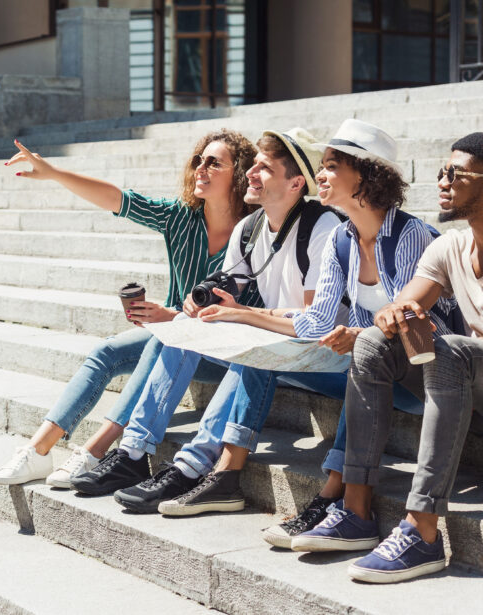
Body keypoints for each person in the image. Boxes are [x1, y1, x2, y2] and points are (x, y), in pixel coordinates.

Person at [292, 131, 483, 585]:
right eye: (441, 171)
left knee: (452, 348)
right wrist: (394, 314)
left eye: (456, 173)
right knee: (372, 344)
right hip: (475, 390)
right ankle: (355, 510)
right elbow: (404, 304)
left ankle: (422, 530)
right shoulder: (450, 246)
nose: (443, 180)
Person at [125, 120, 448, 522]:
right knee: (252, 354)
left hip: (422, 375)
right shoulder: (341, 238)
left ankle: (334, 492)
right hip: (358, 358)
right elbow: (315, 324)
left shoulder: (408, 234)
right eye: (322, 165)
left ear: (365, 176)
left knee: (365, 358)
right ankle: (218, 474)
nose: (321, 175)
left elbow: (411, 320)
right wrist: (234, 312)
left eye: (331, 166)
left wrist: (357, 334)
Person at [71, 127, 344, 503]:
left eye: (264, 168)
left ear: (297, 182)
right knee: (187, 325)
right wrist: (200, 303)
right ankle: (133, 451)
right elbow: (228, 286)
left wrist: (246, 312)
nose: (251, 172)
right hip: (282, 344)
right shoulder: (250, 228)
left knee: (257, 345)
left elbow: (317, 321)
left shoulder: (323, 227)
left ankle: (190, 467)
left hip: (325, 352)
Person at [0, 130, 259, 486]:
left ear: (238, 174)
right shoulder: (179, 218)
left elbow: (248, 316)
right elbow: (117, 199)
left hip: (222, 353)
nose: (200, 169)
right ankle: (39, 451)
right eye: (198, 160)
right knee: (107, 351)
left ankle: (95, 450)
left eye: (214, 163)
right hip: (176, 342)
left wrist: (174, 316)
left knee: (163, 337)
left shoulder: (257, 233)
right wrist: (54, 173)